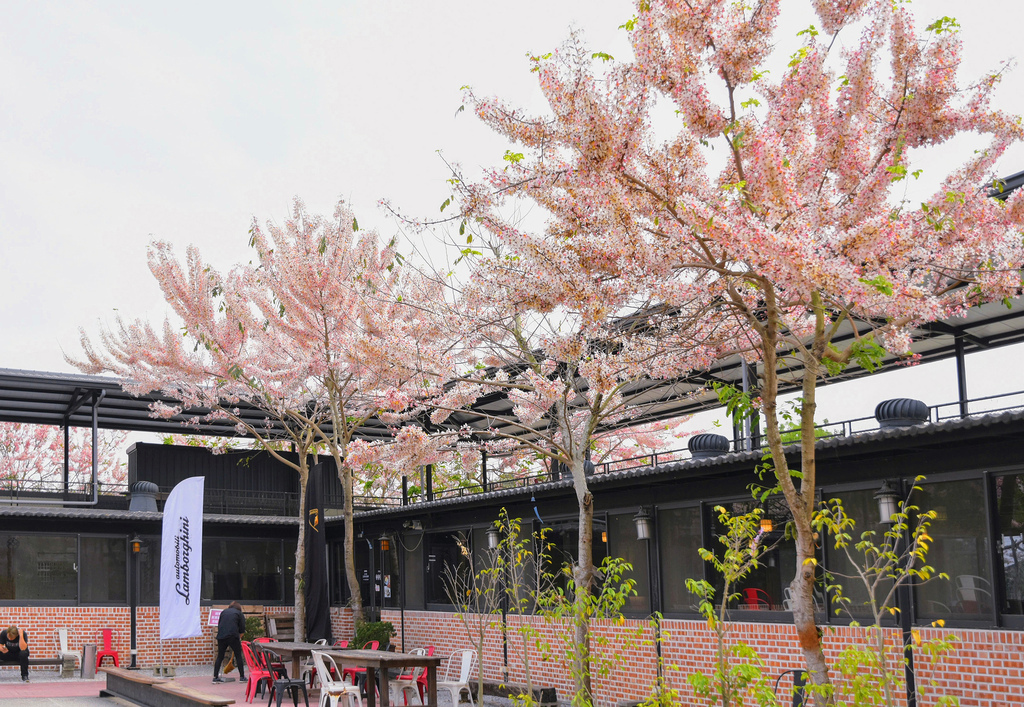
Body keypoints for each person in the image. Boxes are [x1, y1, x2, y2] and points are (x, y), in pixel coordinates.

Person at [213, 602, 246, 683]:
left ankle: (215, 677)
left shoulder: (223, 612)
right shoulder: (239, 613)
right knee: (238, 655)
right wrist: (239, 638)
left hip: (221, 636)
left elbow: (220, 624)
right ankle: (242, 677)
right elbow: (242, 629)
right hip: (233, 636)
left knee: (220, 656)